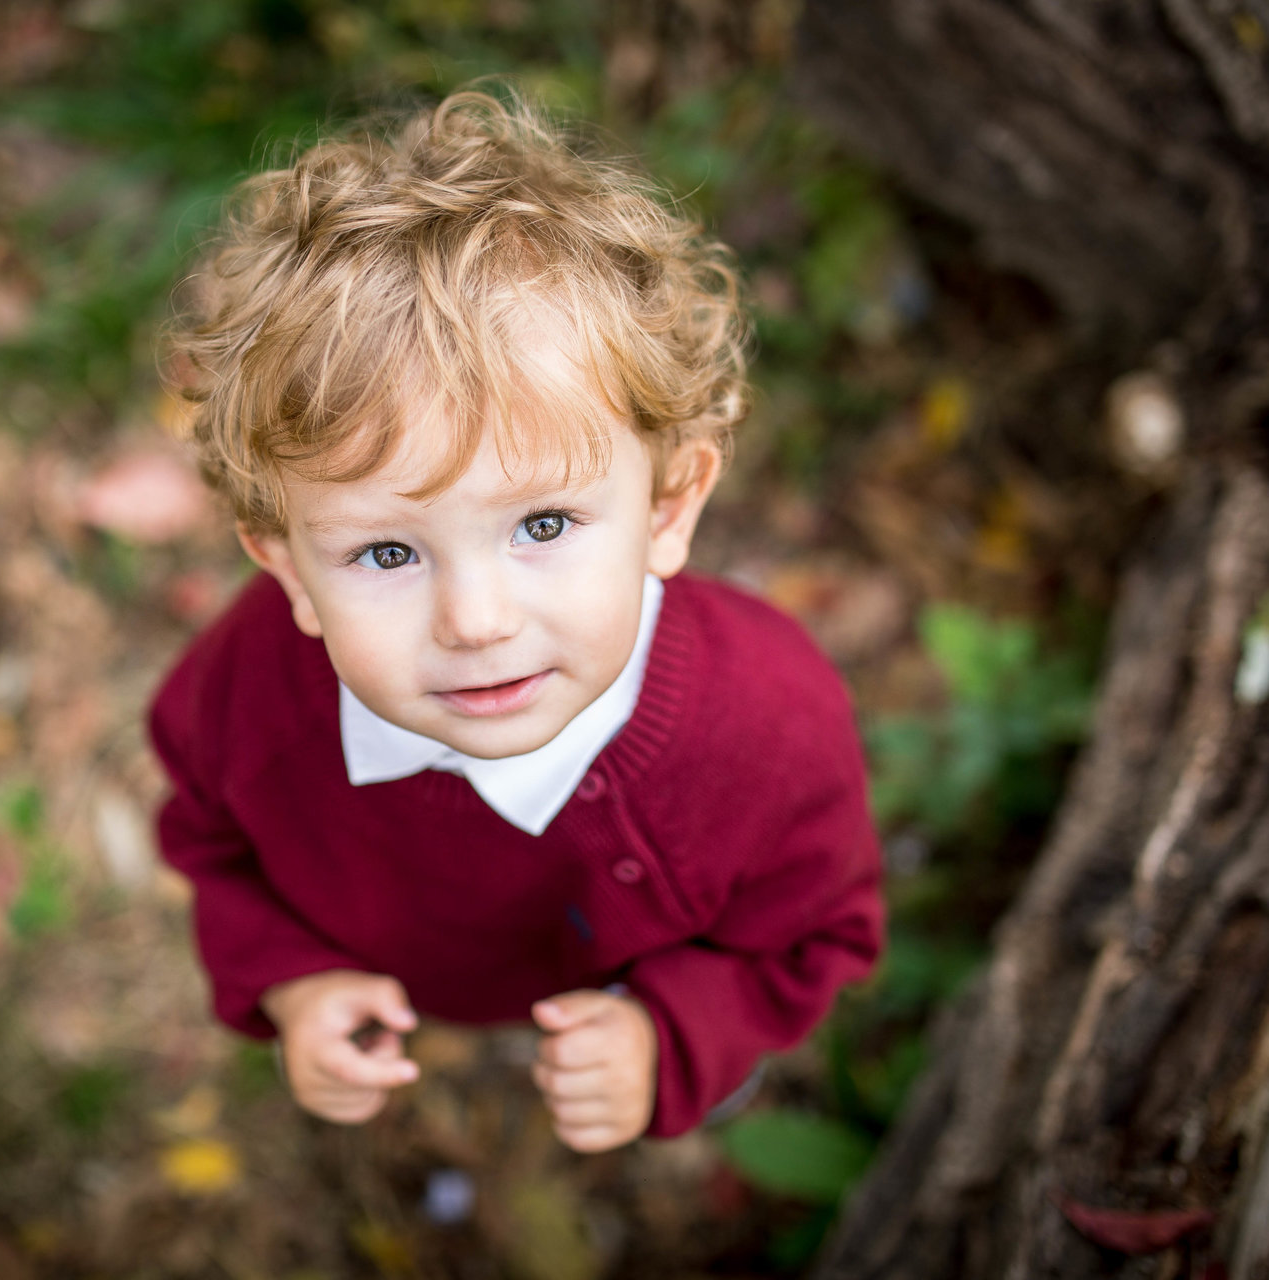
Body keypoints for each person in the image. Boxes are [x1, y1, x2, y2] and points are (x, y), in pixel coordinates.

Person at [150, 88, 883, 1153]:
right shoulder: (247, 695)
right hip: (412, 980)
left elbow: (816, 932)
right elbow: (209, 841)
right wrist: (292, 981)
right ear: (288, 567)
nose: (476, 621)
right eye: (387, 552)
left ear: (669, 507)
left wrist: (675, 1035)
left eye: (542, 523)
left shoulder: (769, 730)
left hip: (619, 994)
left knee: (687, 1063)